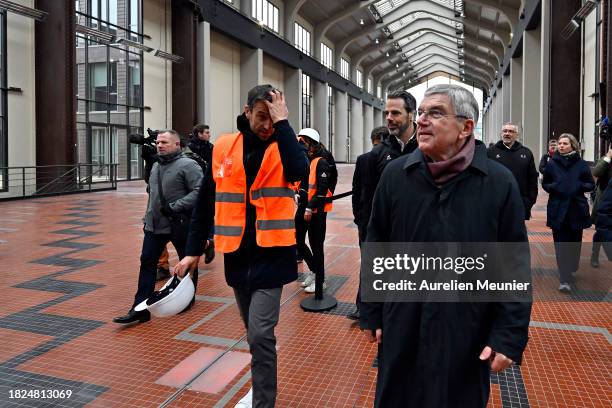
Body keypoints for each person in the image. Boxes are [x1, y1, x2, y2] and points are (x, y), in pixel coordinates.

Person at [360, 84, 531, 407]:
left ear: (466, 127)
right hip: (403, 324)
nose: (422, 120)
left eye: (435, 113)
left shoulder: (497, 183)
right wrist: (371, 309)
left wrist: (509, 335)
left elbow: (514, 263)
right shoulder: (396, 175)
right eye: (421, 112)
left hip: (465, 330)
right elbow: (377, 244)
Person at [174, 85, 309, 408]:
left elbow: (300, 171)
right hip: (237, 256)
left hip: (272, 256)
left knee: (261, 334)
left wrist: (283, 123)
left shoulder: (284, 143)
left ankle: (263, 401)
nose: (266, 126)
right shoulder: (223, 146)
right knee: (255, 335)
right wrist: (193, 250)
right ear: (246, 111)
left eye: (272, 118)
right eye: (261, 117)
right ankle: (261, 372)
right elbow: (206, 203)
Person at [113, 130, 203, 324]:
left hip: (179, 224)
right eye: (158, 142)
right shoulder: (155, 165)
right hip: (155, 226)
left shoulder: (188, 165)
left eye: (164, 142)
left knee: (186, 264)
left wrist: (175, 207)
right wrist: (147, 217)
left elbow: (200, 192)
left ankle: (187, 298)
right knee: (147, 263)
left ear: (177, 145)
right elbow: (153, 194)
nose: (159, 145)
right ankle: (140, 308)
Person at [542, 133, 595, 292]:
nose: (561, 146)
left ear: (573, 145)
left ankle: (570, 269)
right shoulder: (552, 164)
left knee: (574, 244)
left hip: (576, 209)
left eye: (565, 143)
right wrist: (555, 186)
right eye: (560, 143)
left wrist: (579, 186)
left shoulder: (581, 164)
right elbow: (546, 183)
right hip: (558, 209)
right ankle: (564, 278)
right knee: (560, 245)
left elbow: (590, 184)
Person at [348, 126, 389, 321]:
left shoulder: (363, 159)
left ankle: (362, 307)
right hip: (386, 222)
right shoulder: (394, 158)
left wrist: (358, 218)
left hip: (367, 221)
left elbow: (356, 192)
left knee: (368, 264)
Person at [295, 128, 337, 293]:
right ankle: (315, 270)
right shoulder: (308, 158)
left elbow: (322, 188)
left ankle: (320, 279)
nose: (300, 144)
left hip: (316, 209)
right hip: (304, 205)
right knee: (297, 240)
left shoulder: (322, 160)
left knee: (316, 244)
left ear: (311, 142)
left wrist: (310, 207)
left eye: (303, 141)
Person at [487, 123, 539, 219]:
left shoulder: (526, 153)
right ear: (501, 133)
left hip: (519, 202)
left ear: (517, 135)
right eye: (505, 131)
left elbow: (532, 179)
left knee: (516, 233)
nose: (507, 133)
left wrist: (529, 201)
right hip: (495, 202)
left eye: (511, 131)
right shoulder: (490, 152)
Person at [371, 90, 418, 180]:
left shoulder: (427, 149)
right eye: (387, 113)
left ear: (411, 114)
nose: (389, 118)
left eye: (395, 113)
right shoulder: (377, 153)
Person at [186, 124, 216, 264]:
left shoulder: (211, 147)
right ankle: (204, 244)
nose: (209, 134)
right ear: (199, 134)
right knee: (200, 214)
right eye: (207, 132)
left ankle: (209, 241)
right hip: (195, 186)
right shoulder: (190, 148)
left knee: (209, 213)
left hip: (210, 184)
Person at [590, 147, 612, 267]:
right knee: (600, 231)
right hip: (604, 203)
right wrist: (608, 157)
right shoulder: (605, 160)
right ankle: (595, 254)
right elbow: (596, 173)